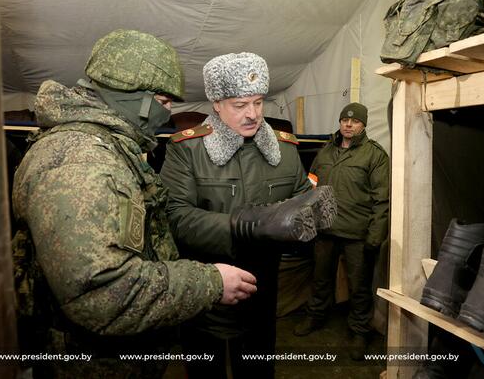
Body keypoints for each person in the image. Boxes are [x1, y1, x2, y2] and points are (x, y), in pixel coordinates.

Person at [11, 30, 258, 379]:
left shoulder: (99, 146)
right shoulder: (84, 161)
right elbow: (103, 293)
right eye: (166, 103)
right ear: (142, 100)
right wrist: (211, 282)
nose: (168, 114)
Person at [160, 52, 336, 378]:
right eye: (239, 105)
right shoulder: (188, 149)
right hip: (206, 292)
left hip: (262, 291)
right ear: (216, 103)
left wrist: (309, 216)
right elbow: (175, 216)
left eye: (258, 102)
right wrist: (242, 226)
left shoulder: (284, 148)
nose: (252, 114)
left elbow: (299, 201)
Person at [292, 102, 389, 361]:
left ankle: (359, 332)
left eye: (354, 121)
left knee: (359, 286)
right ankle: (315, 317)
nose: (348, 124)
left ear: (363, 125)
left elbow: (382, 200)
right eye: (344, 120)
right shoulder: (325, 151)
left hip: (357, 233)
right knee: (320, 279)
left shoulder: (374, 155)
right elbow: (310, 188)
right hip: (324, 229)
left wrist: (375, 236)